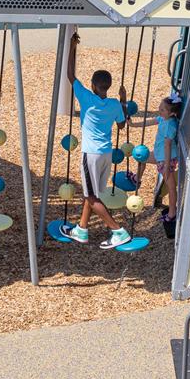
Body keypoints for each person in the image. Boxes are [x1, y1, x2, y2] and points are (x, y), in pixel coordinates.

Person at [62, 32, 133, 249]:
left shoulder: (87, 98)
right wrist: (123, 100)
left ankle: (118, 231)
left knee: (91, 196)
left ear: (93, 85)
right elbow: (121, 125)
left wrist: (72, 48)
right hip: (106, 154)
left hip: (91, 154)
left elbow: (70, 75)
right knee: (90, 192)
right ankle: (81, 230)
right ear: (108, 87)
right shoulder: (113, 104)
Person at [149, 95, 185, 238]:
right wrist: (132, 124)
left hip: (165, 159)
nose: (159, 110)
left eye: (162, 109)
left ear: (171, 113)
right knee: (141, 158)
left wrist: (167, 165)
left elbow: (168, 145)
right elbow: (151, 121)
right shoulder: (164, 119)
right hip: (160, 156)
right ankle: (136, 179)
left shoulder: (170, 125)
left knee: (171, 186)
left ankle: (172, 214)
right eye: (159, 107)